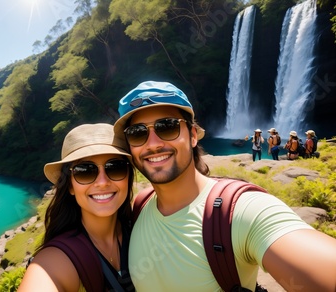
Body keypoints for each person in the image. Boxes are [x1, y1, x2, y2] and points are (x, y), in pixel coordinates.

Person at [113, 81, 336, 291]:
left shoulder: (240, 211)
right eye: (137, 133)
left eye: (167, 127)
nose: (153, 144)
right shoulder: (139, 206)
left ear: (192, 136)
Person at [18, 123, 135, 291]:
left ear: (128, 177)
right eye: (85, 171)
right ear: (70, 186)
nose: (102, 182)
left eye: (115, 168)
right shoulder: (56, 260)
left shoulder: (140, 229)